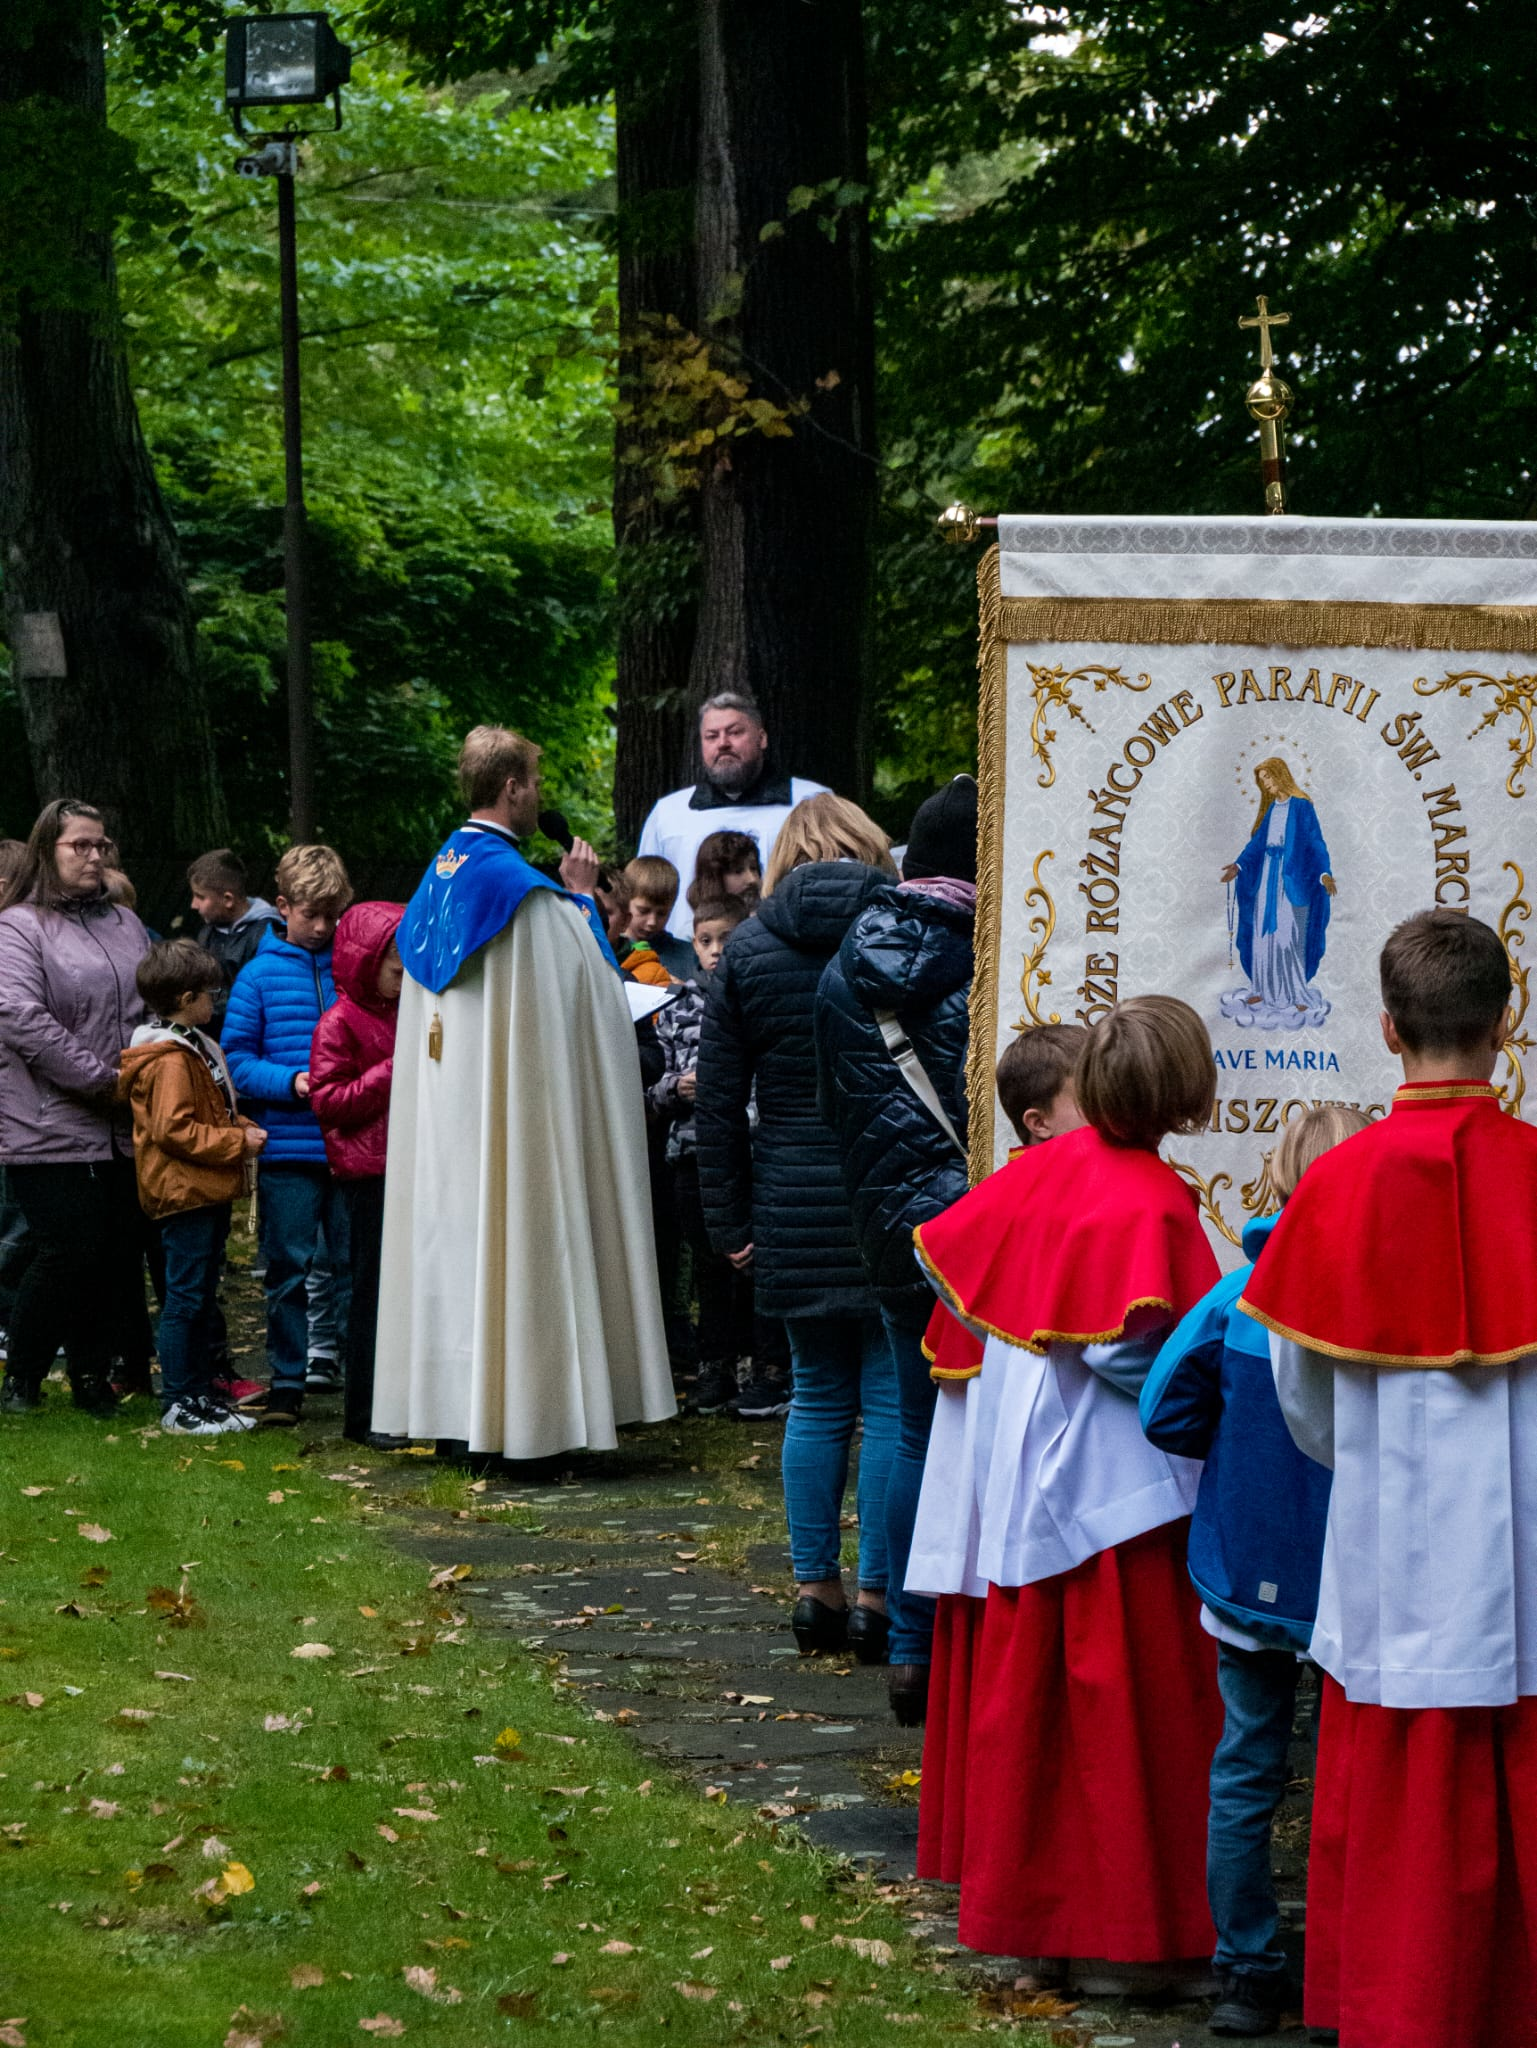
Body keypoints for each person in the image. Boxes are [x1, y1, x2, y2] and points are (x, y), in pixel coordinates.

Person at [1241, 910, 1537, 2048]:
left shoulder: (1333, 1186)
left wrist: (1368, 1462)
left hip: (1385, 1538)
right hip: (1521, 1555)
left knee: (1391, 1778)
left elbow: (1301, 1397)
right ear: (1504, 1025)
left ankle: (1387, 2003)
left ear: (1383, 1026)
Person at [906, 997, 1223, 1988]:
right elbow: (1134, 1355)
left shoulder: (1034, 1173)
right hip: (1126, 1493)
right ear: (1181, 1092)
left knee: (1038, 1715)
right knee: (1137, 1717)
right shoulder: (1153, 1199)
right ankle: (1131, 1937)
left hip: (1034, 1478)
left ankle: (1035, 1925)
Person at [374, 725, 674, 1459]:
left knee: (452, 1245)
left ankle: (454, 1415)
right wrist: (579, 900)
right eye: (534, 784)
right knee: (522, 1238)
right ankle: (528, 1421)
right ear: (511, 789)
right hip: (514, 1114)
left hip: (450, 1114)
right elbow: (595, 1001)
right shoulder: (526, 896)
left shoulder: (434, 880)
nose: (539, 795)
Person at [1140, 1104, 1368, 2039]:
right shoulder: (1388, 1295)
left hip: (1245, 1562)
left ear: (1273, 1182)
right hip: (1356, 1576)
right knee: (1353, 1772)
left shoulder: (1235, 1295)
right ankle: (1350, 1962)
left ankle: (1244, 1968)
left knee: (1244, 1769)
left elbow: (1161, 1407)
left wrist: (1230, 1450)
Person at [697, 793, 902, 1657]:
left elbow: (715, 1101)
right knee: (892, 1403)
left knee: (815, 1397)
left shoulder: (745, 948)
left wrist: (728, 1219)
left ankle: (812, 1587)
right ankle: (879, 1596)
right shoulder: (899, 937)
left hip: (788, 1198)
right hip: (888, 1193)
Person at [814, 775, 978, 1724]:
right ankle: (944, 1633)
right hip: (967, 1220)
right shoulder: (977, 956)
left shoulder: (850, 959)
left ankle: (910, 1647)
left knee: (912, 1430)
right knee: (952, 1428)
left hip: (885, 1219)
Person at [912, 1021, 1085, 1882]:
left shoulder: (1063, 1199)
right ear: (1036, 1120)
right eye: (1085, 1101)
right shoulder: (1019, 1207)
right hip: (998, 1459)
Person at [0, 800, 152, 1416]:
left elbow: (149, 1002)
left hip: (120, 1118)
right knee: (67, 1247)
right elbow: (21, 1019)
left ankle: (91, 1377)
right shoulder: (18, 927)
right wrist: (101, 1080)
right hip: (47, 1118)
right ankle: (25, 1375)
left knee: (114, 1250)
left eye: (101, 846)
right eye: (79, 846)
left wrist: (148, 1072)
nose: (95, 856)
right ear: (47, 851)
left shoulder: (124, 923)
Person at [223, 843, 353, 1429]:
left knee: (355, 1267)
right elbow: (235, 1060)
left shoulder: (355, 968)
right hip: (290, 1147)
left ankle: (364, 1379)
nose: (323, 927)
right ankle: (287, 1383)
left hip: (352, 1146)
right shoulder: (258, 975)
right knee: (289, 1269)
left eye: (332, 914)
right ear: (283, 907)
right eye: (311, 914)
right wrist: (291, 1081)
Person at [119, 939, 266, 1436]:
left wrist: (239, 1125)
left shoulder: (189, 1045)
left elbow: (208, 1109)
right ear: (185, 999)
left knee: (201, 1296)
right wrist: (235, 1142)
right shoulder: (169, 1058)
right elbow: (173, 1129)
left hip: (202, 1189)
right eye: (209, 993)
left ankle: (201, 1394)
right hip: (184, 1194)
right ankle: (180, 1402)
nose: (215, 1001)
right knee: (184, 1300)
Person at [647, 896, 772, 1416]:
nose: (716, 950)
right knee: (709, 1265)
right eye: (705, 940)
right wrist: (680, 1087)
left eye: (726, 938)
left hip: (753, 1148)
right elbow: (653, 1088)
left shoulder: (759, 994)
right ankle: (714, 1366)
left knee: (756, 1263)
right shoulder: (676, 1008)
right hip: (693, 1151)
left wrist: (737, 1097)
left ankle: (765, 1369)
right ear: (692, 944)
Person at [309, 902, 405, 1446]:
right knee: (368, 1292)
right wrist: (393, 1071)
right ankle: (363, 1415)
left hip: (411, 1166)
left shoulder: (408, 1010)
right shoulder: (339, 1023)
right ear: (368, 963)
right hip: (368, 1173)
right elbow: (329, 1102)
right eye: (395, 970)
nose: (405, 979)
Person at [638, 693, 828, 941]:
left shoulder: (810, 803)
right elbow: (644, 891)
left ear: (761, 738)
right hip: (682, 960)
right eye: (712, 736)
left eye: (735, 732)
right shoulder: (669, 814)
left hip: (782, 955)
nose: (723, 743)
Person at [1219, 758, 1336, 1030]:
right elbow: (1258, 843)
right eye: (1262, 781)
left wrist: (1324, 873)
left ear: (1280, 775)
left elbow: (1315, 842)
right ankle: (1263, 988)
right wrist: (1238, 865)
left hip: (1291, 881)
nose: (1266, 784)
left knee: (1288, 935)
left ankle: (1295, 993)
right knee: (1263, 934)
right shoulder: (1272, 809)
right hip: (1267, 879)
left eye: (1268, 778)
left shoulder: (1302, 807)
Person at [187, 849, 283, 1033]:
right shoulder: (207, 933)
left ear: (228, 899)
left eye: (200, 897)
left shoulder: (266, 935)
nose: (193, 905)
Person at [621, 856, 695, 981]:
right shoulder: (609, 951)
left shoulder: (689, 957)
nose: (652, 922)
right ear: (625, 901)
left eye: (662, 914)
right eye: (643, 911)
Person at [687, 829, 762, 913]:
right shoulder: (695, 925)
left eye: (754, 868)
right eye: (738, 871)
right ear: (714, 878)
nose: (752, 879)